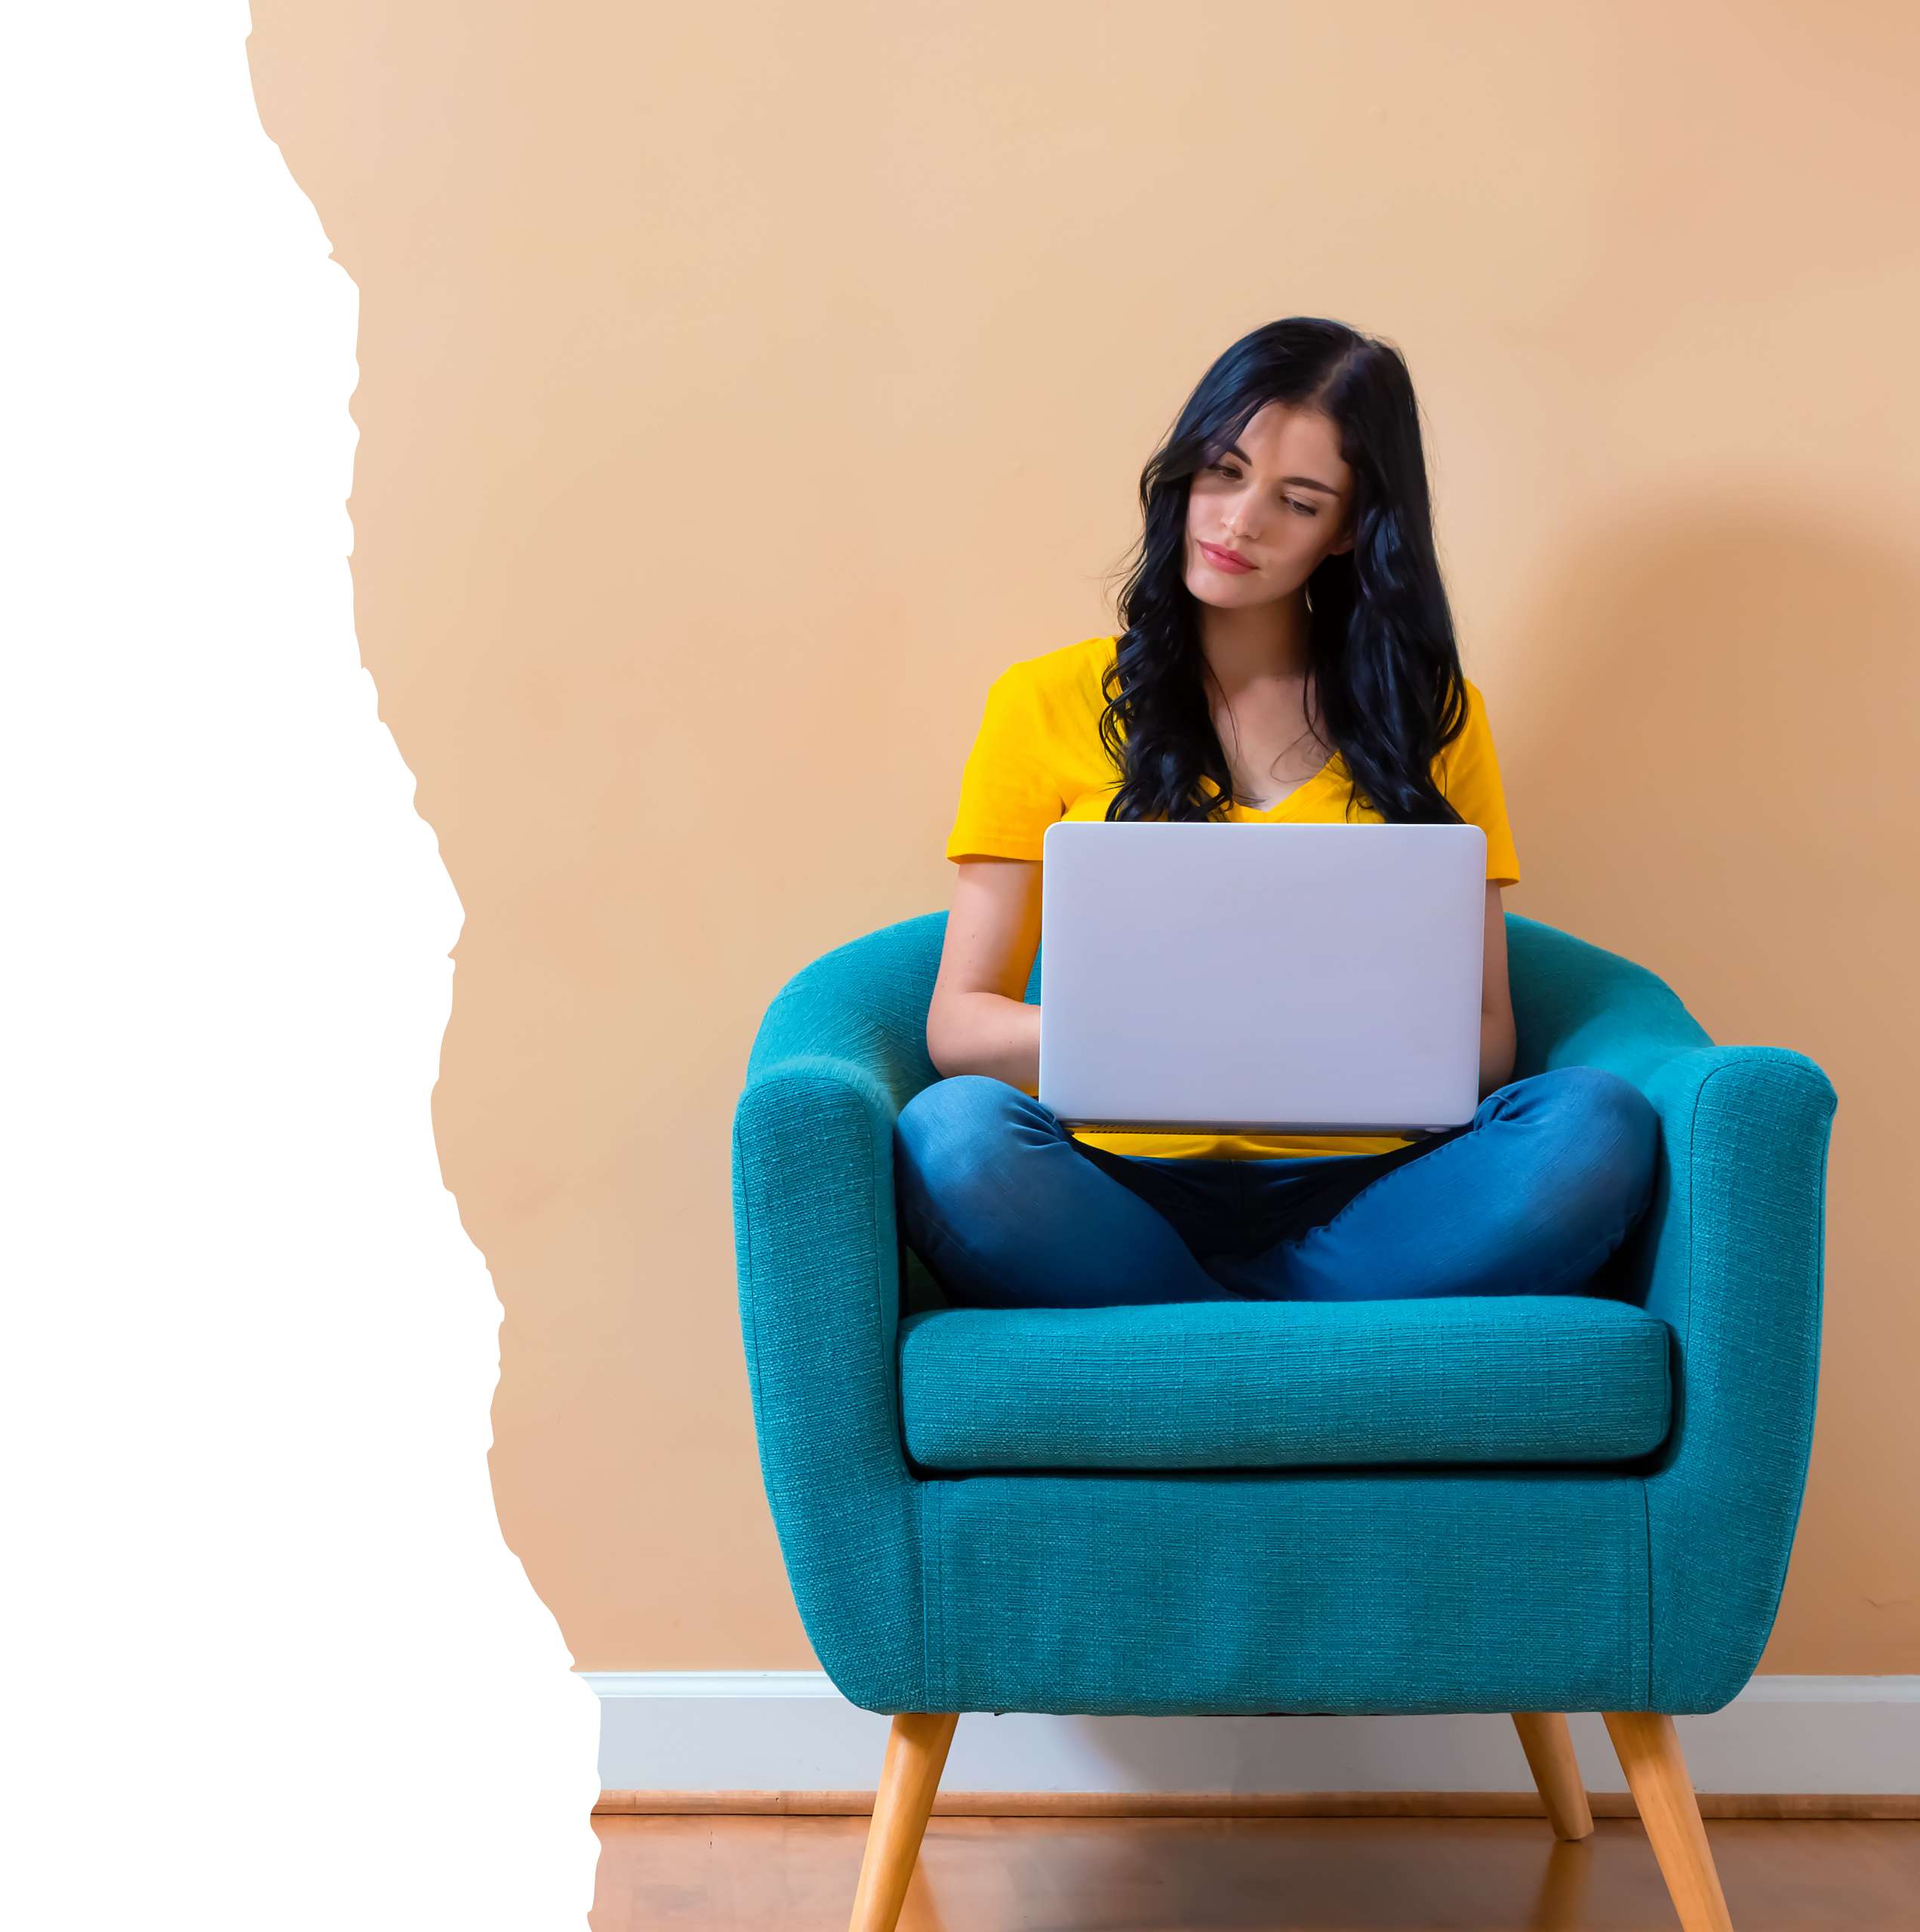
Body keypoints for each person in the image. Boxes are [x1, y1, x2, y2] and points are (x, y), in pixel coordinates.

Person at [895, 317, 1659, 1309]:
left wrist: (1299, 1042)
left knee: (1597, 1124)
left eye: (1296, 502)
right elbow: (961, 1024)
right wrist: (1168, 1037)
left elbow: (1484, 1038)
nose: (1239, 522)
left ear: (1346, 531)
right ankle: (1272, 1319)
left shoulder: (1432, 718)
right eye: (1223, 471)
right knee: (952, 1137)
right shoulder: (1043, 700)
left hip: (1373, 1191)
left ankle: (1199, 1322)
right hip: (1113, 1187)